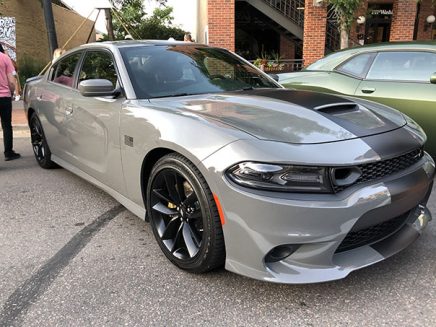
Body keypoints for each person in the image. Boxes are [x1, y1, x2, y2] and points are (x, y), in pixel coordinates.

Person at [0, 46, 20, 160]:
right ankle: (8, 152)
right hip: (4, 97)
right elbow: (12, 81)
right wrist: (12, 92)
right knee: (6, 125)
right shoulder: (5, 58)